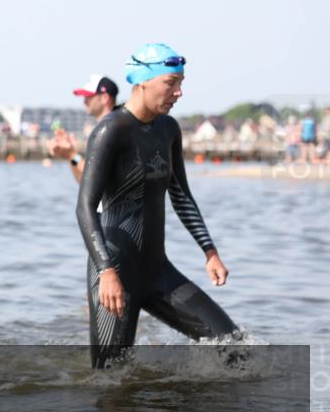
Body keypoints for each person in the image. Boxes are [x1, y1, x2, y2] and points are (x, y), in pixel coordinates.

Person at [76, 44, 239, 369]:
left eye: (180, 82)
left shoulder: (168, 129)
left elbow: (180, 194)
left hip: (157, 270)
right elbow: (84, 206)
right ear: (142, 82)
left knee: (232, 345)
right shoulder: (111, 130)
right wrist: (106, 271)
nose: (179, 92)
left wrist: (209, 252)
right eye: (171, 83)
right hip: (114, 271)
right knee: (111, 379)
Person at [48, 75, 119, 183]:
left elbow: (94, 173)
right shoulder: (105, 128)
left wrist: (72, 155)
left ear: (104, 98)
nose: (84, 101)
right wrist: (71, 155)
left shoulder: (111, 129)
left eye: (89, 97)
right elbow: (84, 182)